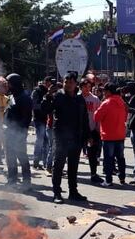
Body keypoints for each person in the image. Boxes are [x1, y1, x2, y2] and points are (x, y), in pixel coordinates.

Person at [51, 73, 89, 203]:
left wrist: (88, 135)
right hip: (61, 137)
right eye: (66, 82)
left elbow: (84, 118)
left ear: (75, 84)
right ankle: (57, 193)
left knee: (73, 166)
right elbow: (45, 109)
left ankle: (73, 192)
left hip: (76, 138)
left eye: (70, 82)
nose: (68, 84)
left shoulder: (79, 98)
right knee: (58, 165)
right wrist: (48, 96)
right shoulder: (58, 96)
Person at [94, 83, 128, 186]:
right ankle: (122, 178)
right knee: (120, 158)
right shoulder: (122, 102)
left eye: (104, 91)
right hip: (120, 134)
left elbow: (96, 117)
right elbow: (125, 117)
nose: (103, 93)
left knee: (108, 159)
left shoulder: (106, 103)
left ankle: (108, 180)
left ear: (108, 92)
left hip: (108, 135)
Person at [4, 73, 33, 190]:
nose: (7, 86)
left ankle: (27, 182)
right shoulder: (11, 96)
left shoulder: (24, 98)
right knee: (10, 158)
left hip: (18, 134)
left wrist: (20, 133)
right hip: (9, 132)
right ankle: (12, 180)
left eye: (9, 83)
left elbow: (26, 118)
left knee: (22, 157)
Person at [80, 78, 103, 184]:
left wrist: (98, 129)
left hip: (92, 130)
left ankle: (93, 174)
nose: (87, 89)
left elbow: (98, 115)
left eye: (89, 87)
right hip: (78, 131)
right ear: (81, 87)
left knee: (92, 154)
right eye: (85, 86)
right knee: (74, 153)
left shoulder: (95, 99)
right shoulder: (76, 98)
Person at [31, 76, 54, 169]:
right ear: (46, 82)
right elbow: (34, 105)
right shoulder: (37, 91)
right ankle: (36, 162)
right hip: (39, 118)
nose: (50, 85)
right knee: (40, 140)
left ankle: (45, 163)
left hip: (48, 120)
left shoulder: (53, 92)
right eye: (50, 82)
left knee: (47, 142)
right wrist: (44, 105)